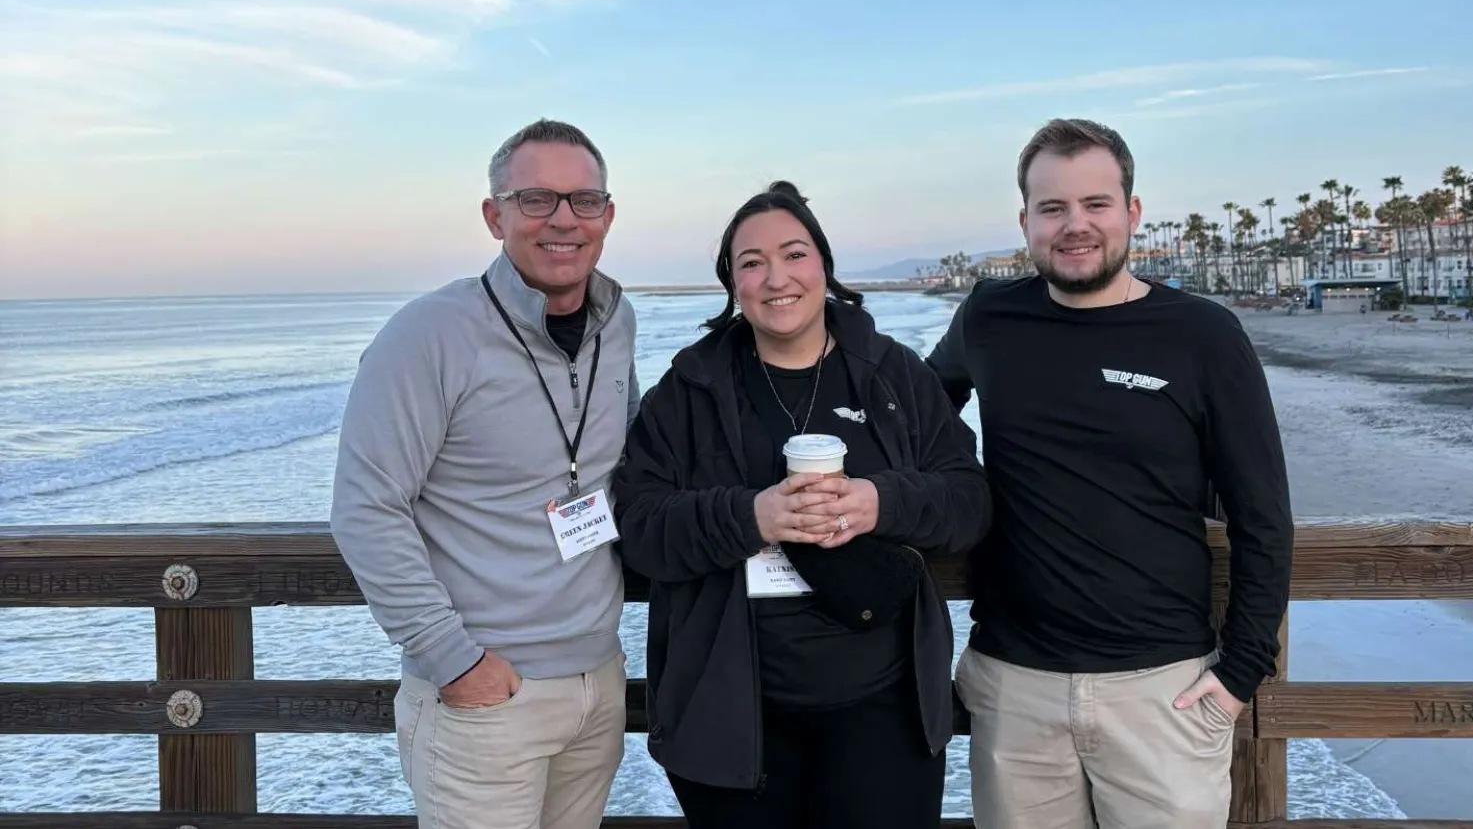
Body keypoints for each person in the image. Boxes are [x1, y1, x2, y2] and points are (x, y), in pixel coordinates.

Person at [927, 118, 1294, 829]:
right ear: (1026, 220)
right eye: (1053, 208)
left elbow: (1263, 515)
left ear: (1130, 212)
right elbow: (907, 414)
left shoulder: (1202, 334)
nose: (1075, 226)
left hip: (1164, 692)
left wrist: (1240, 673)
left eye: (1095, 204)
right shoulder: (989, 317)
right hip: (1014, 688)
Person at [611, 180, 991, 829]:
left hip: (885, 707)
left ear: (824, 265)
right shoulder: (690, 389)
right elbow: (640, 525)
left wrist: (879, 501)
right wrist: (750, 517)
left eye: (793, 254)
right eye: (751, 262)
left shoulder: (892, 375)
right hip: (729, 716)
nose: (775, 277)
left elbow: (968, 500)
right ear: (731, 281)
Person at [330, 118, 638, 829]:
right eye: (536, 199)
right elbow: (366, 506)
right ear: (494, 215)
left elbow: (631, 466)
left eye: (584, 201)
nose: (563, 219)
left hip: (597, 681)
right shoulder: (429, 334)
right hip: (485, 698)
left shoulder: (615, 325)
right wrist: (454, 661)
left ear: (608, 216)